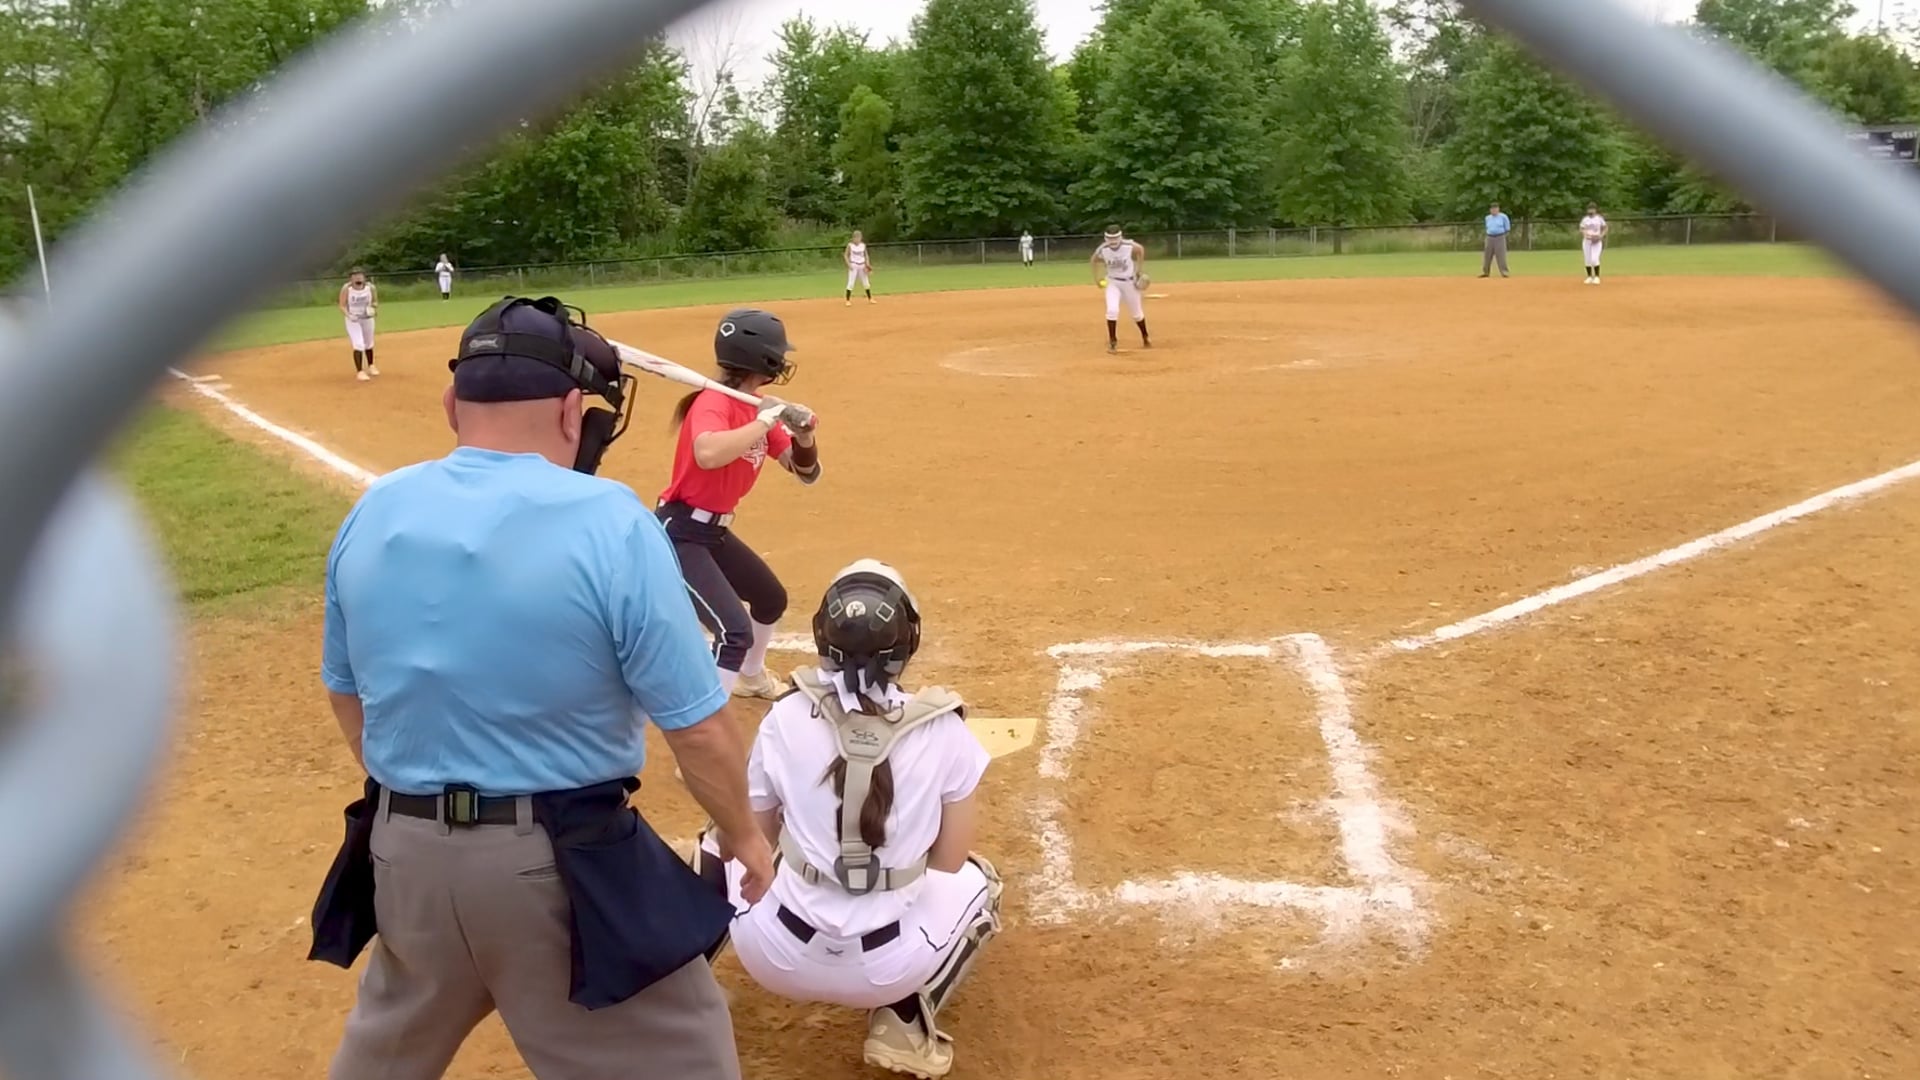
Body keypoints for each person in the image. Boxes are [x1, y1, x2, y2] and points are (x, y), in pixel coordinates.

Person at [310, 294, 775, 1080]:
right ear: (571, 412)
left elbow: (347, 693)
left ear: (452, 404)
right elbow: (696, 729)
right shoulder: (609, 519)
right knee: (686, 1056)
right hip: (556, 871)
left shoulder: (375, 508)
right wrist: (744, 837)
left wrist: (424, 801)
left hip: (401, 859)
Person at [689, 559, 1002, 1080]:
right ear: (908, 643)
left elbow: (751, 836)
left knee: (716, 838)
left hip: (773, 955)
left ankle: (679, 995)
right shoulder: (945, 730)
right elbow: (948, 861)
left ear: (822, 637)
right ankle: (903, 1020)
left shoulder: (786, 715)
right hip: (887, 966)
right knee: (981, 881)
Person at [657, 309, 822, 701]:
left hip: (713, 532)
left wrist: (803, 436)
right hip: (680, 533)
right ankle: (705, 727)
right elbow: (708, 454)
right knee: (733, 633)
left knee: (770, 599)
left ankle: (750, 677)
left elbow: (805, 472)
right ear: (762, 358)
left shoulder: (756, 406)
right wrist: (764, 422)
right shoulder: (714, 403)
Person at [1091, 225, 1150, 354]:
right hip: (1113, 282)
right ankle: (1113, 341)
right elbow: (1093, 260)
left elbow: (1140, 250)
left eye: (1115, 238)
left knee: (1137, 314)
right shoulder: (1103, 249)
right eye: (1110, 238)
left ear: (1120, 236)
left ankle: (1145, 336)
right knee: (1112, 310)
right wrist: (1096, 279)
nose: (1113, 241)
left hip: (1129, 282)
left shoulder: (1128, 245)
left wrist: (1139, 270)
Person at [339, 268, 379, 380]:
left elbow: (375, 302)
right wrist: (349, 315)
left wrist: (373, 309)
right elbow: (342, 305)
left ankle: (371, 365)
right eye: (355, 275)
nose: (358, 277)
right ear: (350, 278)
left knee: (369, 343)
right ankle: (360, 371)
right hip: (354, 320)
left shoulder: (370, 288)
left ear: (364, 277)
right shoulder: (347, 289)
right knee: (358, 344)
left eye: (360, 275)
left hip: (367, 318)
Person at [1480, 203, 1512, 279]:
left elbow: (1507, 228)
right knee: (1487, 255)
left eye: (1495, 208)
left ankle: (1504, 272)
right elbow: (1487, 227)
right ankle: (1485, 272)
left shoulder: (1503, 217)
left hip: (1500, 237)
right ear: (1490, 210)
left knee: (1501, 255)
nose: (1494, 210)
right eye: (1492, 209)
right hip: (1489, 237)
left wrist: (1503, 236)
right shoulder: (1487, 218)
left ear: (1498, 209)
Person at [1580, 203, 1609, 285]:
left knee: (1594, 259)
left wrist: (1601, 236)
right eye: (1589, 209)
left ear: (1596, 210)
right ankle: (1589, 277)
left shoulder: (1599, 219)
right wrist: (1585, 234)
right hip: (1587, 241)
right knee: (1587, 259)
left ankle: (1596, 277)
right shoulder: (1585, 219)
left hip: (1597, 241)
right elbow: (1582, 228)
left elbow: (1605, 227)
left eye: (1592, 209)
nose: (1591, 210)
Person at [845, 231, 874, 306]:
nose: (857, 239)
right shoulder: (850, 245)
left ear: (861, 238)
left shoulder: (863, 245)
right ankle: (848, 300)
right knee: (851, 283)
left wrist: (867, 264)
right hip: (853, 265)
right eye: (856, 237)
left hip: (862, 265)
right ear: (853, 238)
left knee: (866, 282)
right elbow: (846, 255)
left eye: (859, 237)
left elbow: (866, 255)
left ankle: (870, 298)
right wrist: (849, 265)